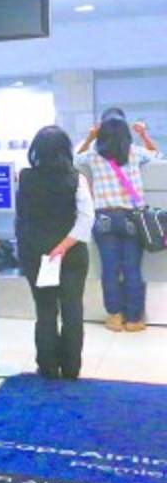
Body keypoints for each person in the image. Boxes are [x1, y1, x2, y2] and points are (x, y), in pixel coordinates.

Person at [17, 126, 95, 379]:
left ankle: (48, 366)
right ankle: (71, 368)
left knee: (45, 310)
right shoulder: (76, 178)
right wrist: (62, 247)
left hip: (37, 254)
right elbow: (86, 218)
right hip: (72, 254)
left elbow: (22, 219)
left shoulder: (25, 178)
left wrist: (35, 249)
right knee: (72, 309)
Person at [76, 117, 160, 332]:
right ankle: (134, 319)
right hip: (132, 218)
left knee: (110, 269)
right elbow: (157, 154)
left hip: (104, 218)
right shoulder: (135, 152)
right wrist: (143, 134)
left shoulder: (93, 156)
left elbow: (75, 158)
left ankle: (115, 316)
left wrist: (89, 137)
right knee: (132, 268)